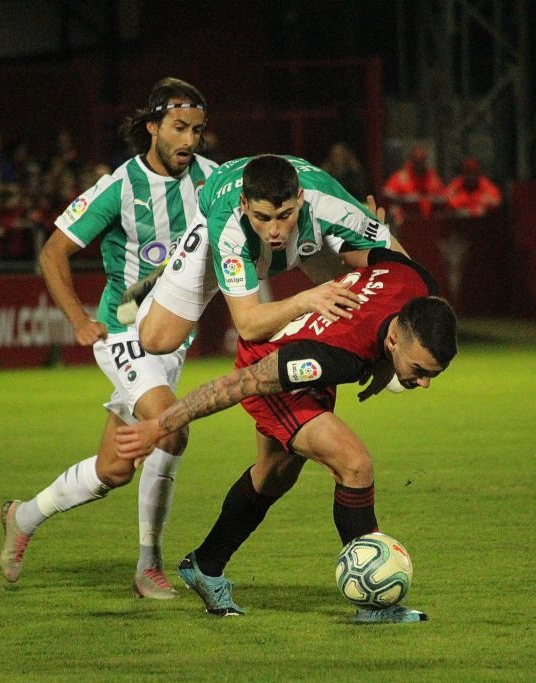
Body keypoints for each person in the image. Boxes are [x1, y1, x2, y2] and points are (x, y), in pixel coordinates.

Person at [116, 248, 458, 623]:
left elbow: (359, 252)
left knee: (274, 474)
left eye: (433, 375)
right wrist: (160, 425)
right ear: (394, 340)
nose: (423, 383)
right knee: (354, 464)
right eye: (419, 370)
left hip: (311, 352)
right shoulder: (334, 356)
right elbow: (241, 383)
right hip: (274, 361)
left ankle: (205, 564)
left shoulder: (414, 279)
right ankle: (375, 603)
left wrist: (383, 362)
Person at [0, 77, 218, 599]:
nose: (190, 140)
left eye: (198, 131)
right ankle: (149, 565)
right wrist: (77, 320)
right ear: (152, 127)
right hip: (125, 332)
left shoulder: (215, 180)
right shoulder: (120, 187)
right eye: (179, 128)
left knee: (113, 469)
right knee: (171, 427)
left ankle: (22, 517)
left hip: (173, 338)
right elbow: (53, 252)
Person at [135, 153, 404, 356]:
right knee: (157, 341)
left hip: (309, 237)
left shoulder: (329, 202)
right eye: (263, 217)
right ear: (244, 204)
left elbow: (402, 266)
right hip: (218, 229)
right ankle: (166, 272)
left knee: (368, 282)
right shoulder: (227, 222)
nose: (274, 230)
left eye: (284, 215)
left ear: (300, 197)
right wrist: (305, 300)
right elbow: (248, 324)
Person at [381, 145, 446, 224]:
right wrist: (404, 198)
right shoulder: (401, 176)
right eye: (416, 161)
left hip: (428, 220)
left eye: (421, 161)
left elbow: (444, 197)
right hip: (406, 219)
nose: (419, 164)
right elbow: (386, 193)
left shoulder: (432, 177)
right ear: (411, 160)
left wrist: (429, 198)